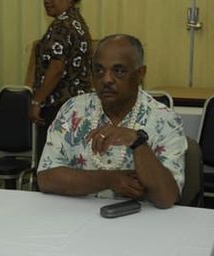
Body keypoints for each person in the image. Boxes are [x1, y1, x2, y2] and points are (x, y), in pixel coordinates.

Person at [37, 34, 187, 209]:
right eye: (99, 70)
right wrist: (110, 179)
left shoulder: (165, 120)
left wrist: (137, 142)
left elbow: (167, 197)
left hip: (140, 224)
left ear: (140, 74)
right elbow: (46, 179)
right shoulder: (73, 110)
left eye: (119, 71)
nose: (106, 79)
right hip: (76, 218)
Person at [30, 0, 93, 161]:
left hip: (58, 107)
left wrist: (37, 101)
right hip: (77, 108)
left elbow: (56, 69)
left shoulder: (61, 26)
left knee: (49, 164)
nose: (47, 1)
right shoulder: (77, 21)